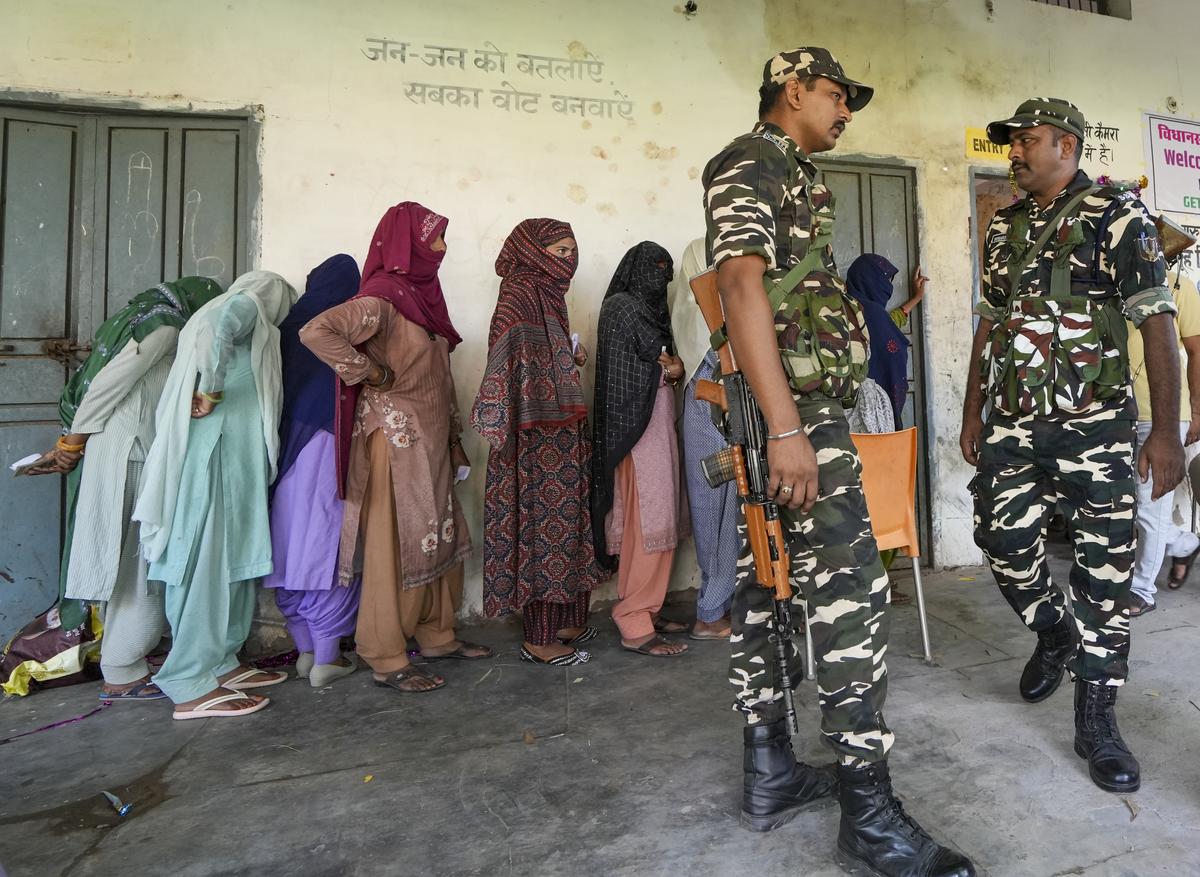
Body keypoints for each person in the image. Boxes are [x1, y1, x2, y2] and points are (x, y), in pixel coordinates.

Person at [704, 47, 974, 876]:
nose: (845, 111)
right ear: (793, 90)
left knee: (767, 584)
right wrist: (786, 429)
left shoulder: (789, 170)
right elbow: (741, 285)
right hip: (796, 415)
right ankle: (869, 809)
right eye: (835, 95)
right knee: (849, 590)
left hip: (793, 410)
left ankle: (771, 768)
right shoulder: (752, 160)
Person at [961, 98, 1183, 795]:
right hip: (1012, 422)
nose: (1015, 155)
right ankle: (1052, 630)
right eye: (1011, 145)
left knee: (1105, 572)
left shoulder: (1120, 219)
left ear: (1066, 143)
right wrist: (973, 409)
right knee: (1000, 538)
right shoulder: (1005, 228)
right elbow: (988, 325)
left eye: (1025, 141)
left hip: (1095, 424)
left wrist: (1168, 431)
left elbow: (1157, 325)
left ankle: (1096, 719)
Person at [301, 202, 492, 695]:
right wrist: (371, 374)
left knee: (438, 536)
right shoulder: (383, 299)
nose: (443, 249)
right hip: (396, 442)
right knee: (395, 545)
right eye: (434, 239)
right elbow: (316, 331)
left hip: (431, 442)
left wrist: (453, 440)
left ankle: (437, 635)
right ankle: (384, 656)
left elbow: (438, 377)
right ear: (406, 243)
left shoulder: (423, 301)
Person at [24, 278, 223, 701]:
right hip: (128, 453)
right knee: (139, 564)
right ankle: (123, 669)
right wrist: (72, 441)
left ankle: (122, 662)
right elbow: (109, 383)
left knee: (128, 561)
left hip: (125, 449)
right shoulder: (165, 326)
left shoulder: (142, 319)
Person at [135, 271, 299, 720]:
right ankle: (187, 681)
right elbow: (218, 326)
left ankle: (222, 661)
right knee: (205, 561)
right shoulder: (247, 303)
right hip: (215, 453)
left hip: (234, 458)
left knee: (233, 560)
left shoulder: (256, 323)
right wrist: (211, 390)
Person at [472, 219, 608, 666]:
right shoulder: (519, 293)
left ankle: (566, 622)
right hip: (531, 443)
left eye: (573, 251)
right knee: (541, 532)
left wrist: (568, 359)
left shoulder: (550, 296)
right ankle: (539, 639)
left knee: (568, 526)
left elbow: (541, 359)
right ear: (533, 250)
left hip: (562, 438)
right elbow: (506, 361)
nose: (568, 260)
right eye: (559, 250)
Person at [263, 255, 363, 686]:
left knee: (289, 546)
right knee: (326, 543)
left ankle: (304, 650)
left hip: (283, 449)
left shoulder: (284, 330)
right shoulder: (346, 330)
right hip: (329, 446)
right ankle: (327, 658)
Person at [592, 241, 690, 657]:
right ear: (636, 270)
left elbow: (668, 361)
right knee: (648, 521)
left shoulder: (651, 312)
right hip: (635, 431)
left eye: (665, 272)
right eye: (653, 269)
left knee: (659, 517)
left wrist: (671, 367)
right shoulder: (621, 308)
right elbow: (632, 370)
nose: (660, 279)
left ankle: (647, 607)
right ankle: (634, 619)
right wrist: (667, 368)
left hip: (656, 427)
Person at [670, 238, 738, 640]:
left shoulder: (693, 316)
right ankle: (710, 614)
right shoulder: (707, 317)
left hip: (711, 412)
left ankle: (719, 604)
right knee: (719, 510)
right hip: (712, 415)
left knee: (723, 511)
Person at [1125, 267, 1200, 614]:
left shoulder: (1178, 285)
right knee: (1128, 505)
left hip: (1164, 414)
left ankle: (1142, 589)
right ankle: (1182, 542)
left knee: (1150, 503)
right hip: (1116, 412)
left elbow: (1197, 351)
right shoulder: (1109, 286)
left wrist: (1196, 412)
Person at [844, 254, 927, 430]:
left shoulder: (844, 308)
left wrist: (916, 298)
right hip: (870, 413)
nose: (888, 287)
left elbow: (887, 324)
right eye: (885, 280)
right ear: (870, 279)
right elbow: (885, 332)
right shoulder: (873, 314)